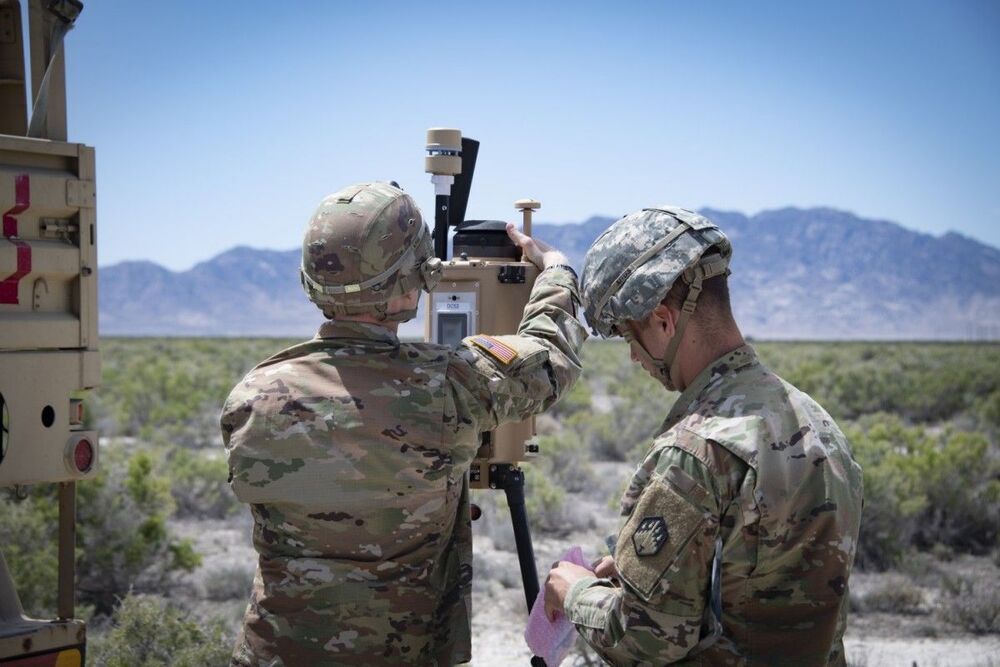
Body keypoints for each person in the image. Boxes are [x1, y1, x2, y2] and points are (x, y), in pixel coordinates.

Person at [221, 181, 585, 666]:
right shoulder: (447, 386)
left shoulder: (251, 396)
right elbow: (550, 358)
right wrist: (556, 270)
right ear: (411, 281)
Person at [543, 206, 864, 665]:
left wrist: (574, 591)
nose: (634, 358)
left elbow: (644, 641)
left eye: (630, 338)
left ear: (663, 321)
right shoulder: (817, 422)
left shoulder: (697, 450)